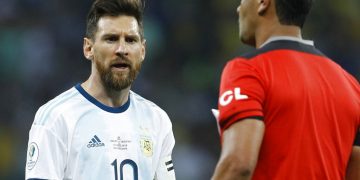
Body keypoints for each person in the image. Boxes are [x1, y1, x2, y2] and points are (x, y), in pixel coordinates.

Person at [25, 0, 176, 179]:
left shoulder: (157, 120)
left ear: (142, 50)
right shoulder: (56, 117)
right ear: (88, 48)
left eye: (130, 40)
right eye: (111, 39)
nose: (122, 49)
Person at [211, 0, 360, 179]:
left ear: (263, 3)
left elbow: (238, 164)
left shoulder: (248, 70)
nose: (238, 8)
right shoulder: (351, 86)